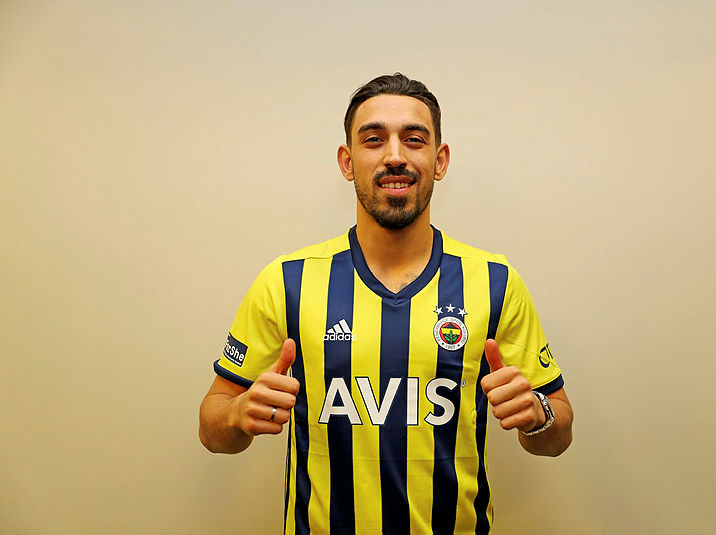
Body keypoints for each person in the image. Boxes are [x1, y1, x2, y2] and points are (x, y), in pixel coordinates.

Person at [199, 73, 573, 535]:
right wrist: (238, 414)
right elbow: (212, 427)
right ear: (347, 161)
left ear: (439, 160)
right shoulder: (287, 281)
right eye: (374, 139)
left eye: (414, 139)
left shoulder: (496, 281)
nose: (395, 156)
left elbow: (559, 434)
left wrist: (538, 415)